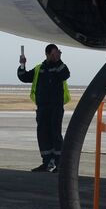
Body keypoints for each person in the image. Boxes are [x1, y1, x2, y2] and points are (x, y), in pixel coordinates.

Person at [17, 44, 71, 173]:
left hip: (56, 107)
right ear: (47, 54)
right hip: (42, 107)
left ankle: (59, 163)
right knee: (43, 134)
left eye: (56, 53)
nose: (55, 56)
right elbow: (23, 77)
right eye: (53, 54)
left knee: (55, 133)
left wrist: (58, 60)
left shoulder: (59, 67)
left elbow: (66, 74)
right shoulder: (39, 69)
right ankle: (47, 162)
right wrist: (22, 64)